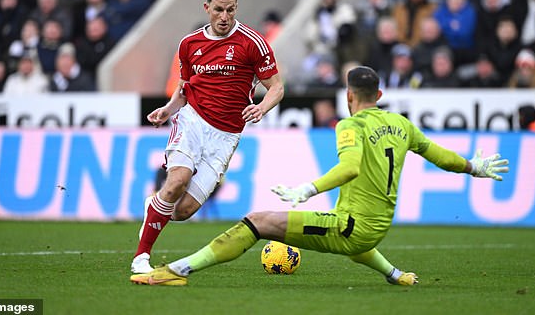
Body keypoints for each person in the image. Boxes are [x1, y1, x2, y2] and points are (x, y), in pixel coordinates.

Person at [130, 66, 509, 287]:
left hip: (351, 226)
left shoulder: (351, 125)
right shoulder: (401, 124)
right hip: (373, 228)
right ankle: (393, 274)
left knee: (256, 221)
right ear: (378, 93)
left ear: (349, 95)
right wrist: (473, 167)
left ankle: (174, 270)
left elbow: (350, 168)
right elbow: (439, 156)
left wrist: (306, 189)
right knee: (350, 234)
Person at [130, 0, 284, 275]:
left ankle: (154, 207)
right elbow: (185, 88)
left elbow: (277, 88)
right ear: (207, 9)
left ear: (236, 8)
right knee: (177, 180)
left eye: (230, 10)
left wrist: (262, 108)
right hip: (193, 121)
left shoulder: (253, 43)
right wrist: (168, 109)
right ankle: (141, 257)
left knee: (183, 211)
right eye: (218, 10)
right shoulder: (189, 44)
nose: (224, 16)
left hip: (226, 136)